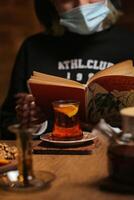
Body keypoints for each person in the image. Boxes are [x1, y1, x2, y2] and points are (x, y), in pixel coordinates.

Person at [0, 0, 134, 139]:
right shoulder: (33, 47)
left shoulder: (130, 44)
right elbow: (6, 124)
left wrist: (119, 135)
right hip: (51, 158)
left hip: (117, 157)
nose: (82, 5)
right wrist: (36, 125)